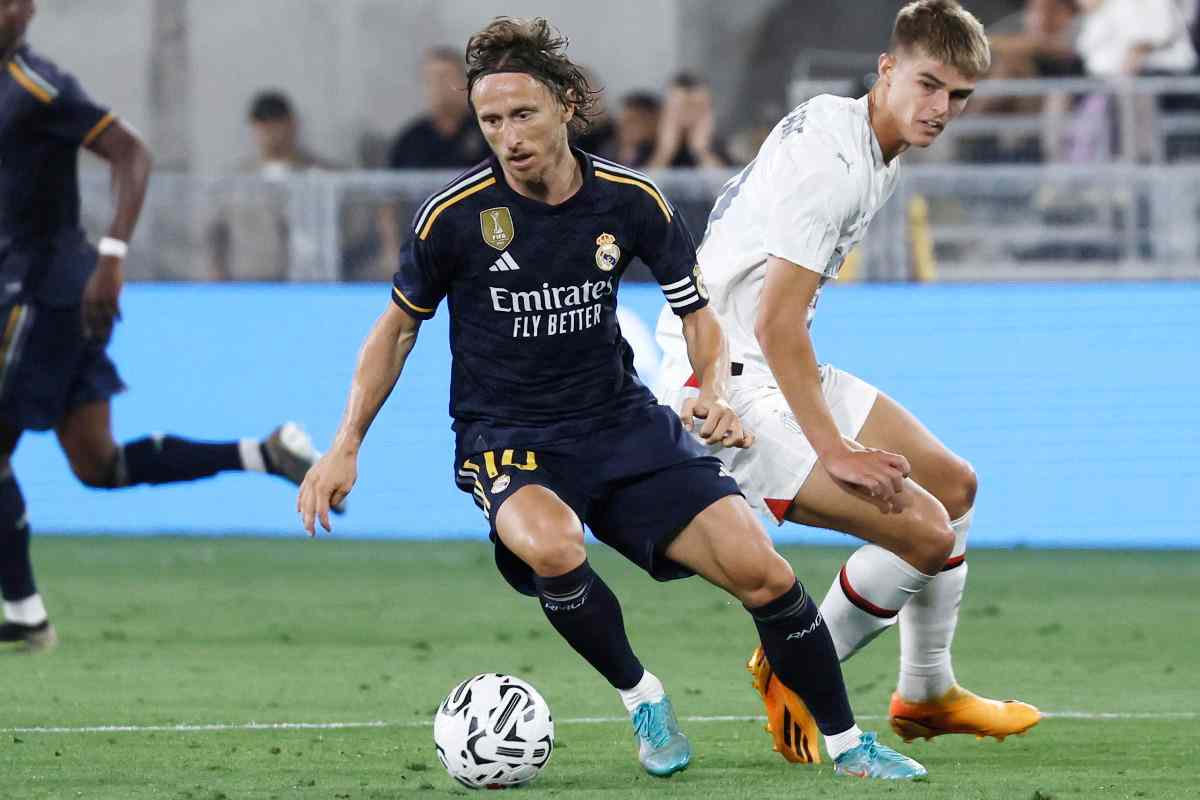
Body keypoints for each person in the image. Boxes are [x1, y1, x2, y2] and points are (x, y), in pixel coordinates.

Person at [298, 16, 926, 781]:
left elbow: (698, 313)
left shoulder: (630, 202)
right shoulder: (454, 217)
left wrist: (712, 392)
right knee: (555, 545)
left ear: (565, 103)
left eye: (522, 114)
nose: (507, 136)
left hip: (621, 423)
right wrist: (345, 444)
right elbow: (394, 333)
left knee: (762, 571)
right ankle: (642, 698)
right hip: (508, 434)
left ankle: (847, 744)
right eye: (490, 121)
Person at [654, 0, 1042, 764]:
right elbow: (774, 322)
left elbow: (781, 320)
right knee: (926, 533)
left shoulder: (867, 140)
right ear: (888, 69)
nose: (942, 109)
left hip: (771, 356)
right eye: (929, 85)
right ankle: (798, 662)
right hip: (725, 378)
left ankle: (927, 694)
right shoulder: (832, 165)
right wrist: (835, 450)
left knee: (953, 487)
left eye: (959, 96)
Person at [0, 1, 329, 651]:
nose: (12, 11)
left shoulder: (40, 86)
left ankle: (25, 613)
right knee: (98, 464)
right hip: (46, 292)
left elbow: (131, 153)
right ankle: (263, 452)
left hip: (43, 294)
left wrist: (115, 255)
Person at [207, 90, 340, 281]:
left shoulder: (320, 174)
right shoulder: (235, 179)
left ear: (292, 123)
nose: (269, 131)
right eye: (262, 124)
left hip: (308, 283)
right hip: (248, 282)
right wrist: (216, 275)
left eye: (275, 122)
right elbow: (214, 235)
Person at [648, 73, 733, 168]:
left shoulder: (724, 146)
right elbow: (641, 181)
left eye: (699, 108)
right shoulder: (647, 143)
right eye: (682, 108)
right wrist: (666, 150)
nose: (690, 116)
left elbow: (725, 181)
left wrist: (700, 150)